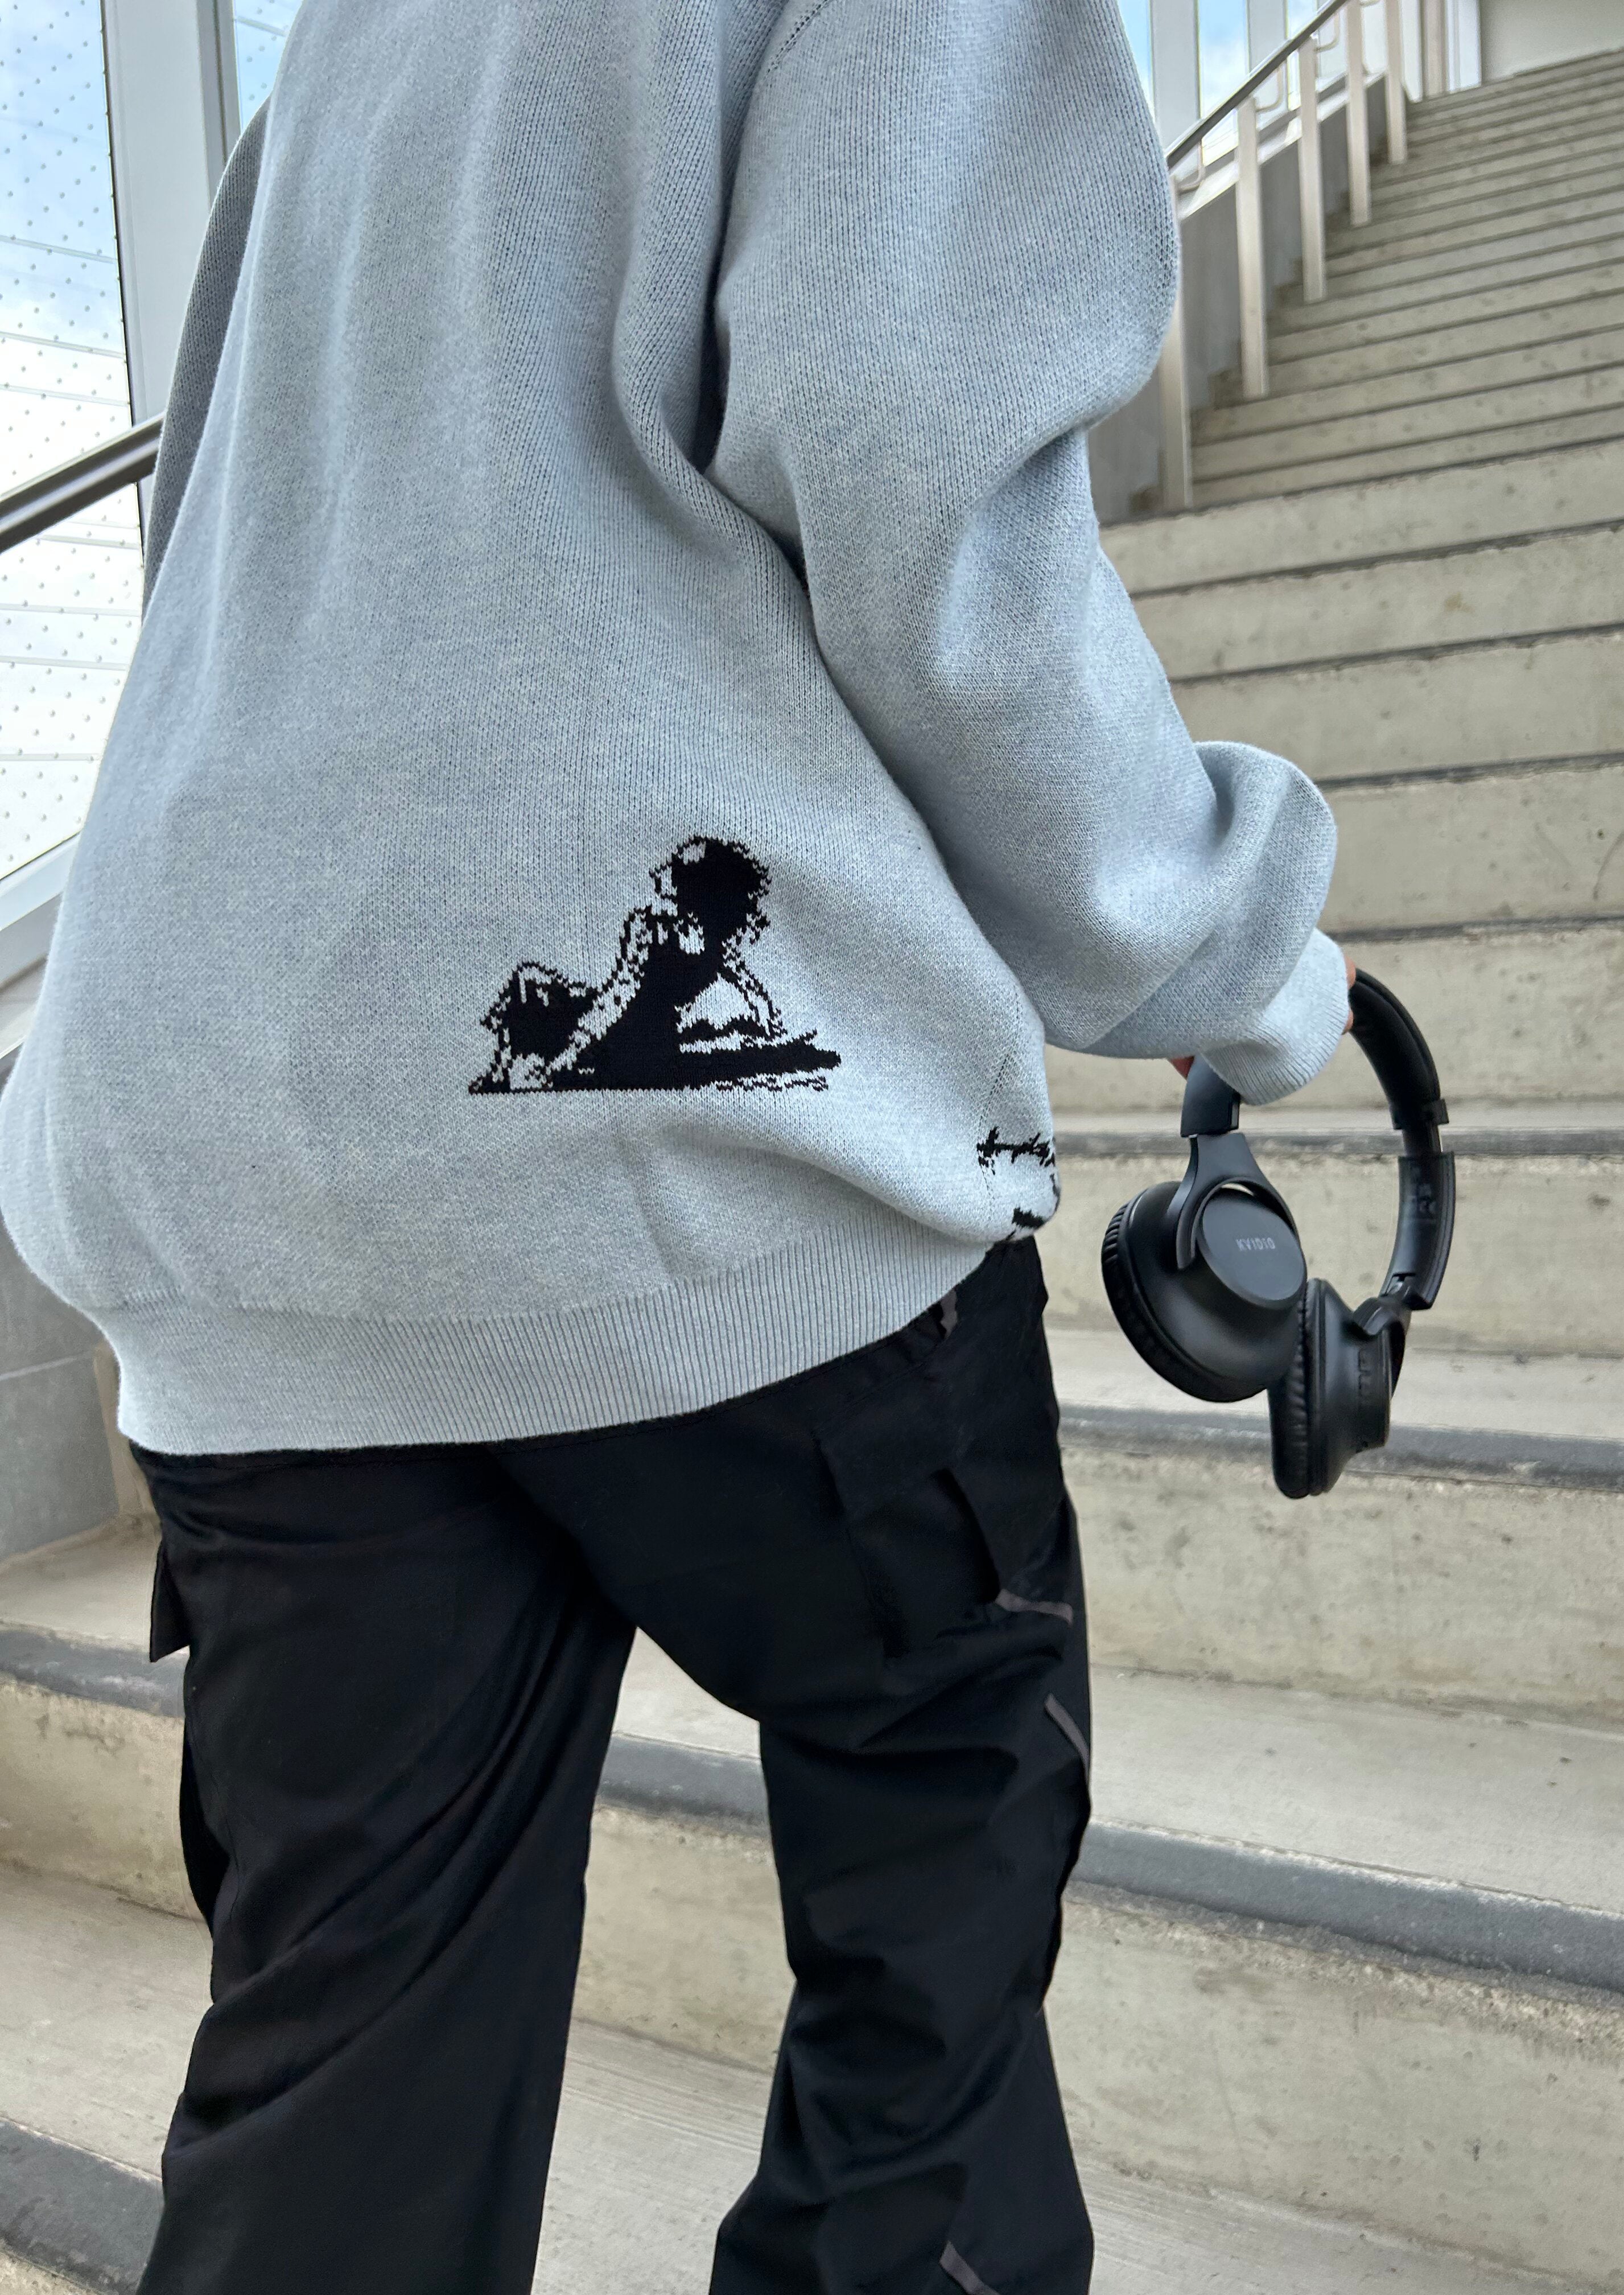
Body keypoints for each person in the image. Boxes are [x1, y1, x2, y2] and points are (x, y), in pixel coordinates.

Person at [0, 3, 1353, 2289]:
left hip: (234, 1139)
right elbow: (933, 521)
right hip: (692, 1164)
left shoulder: (362, 35)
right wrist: (1237, 946)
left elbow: (231, 510)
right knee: (940, 1879)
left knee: (342, 2075)